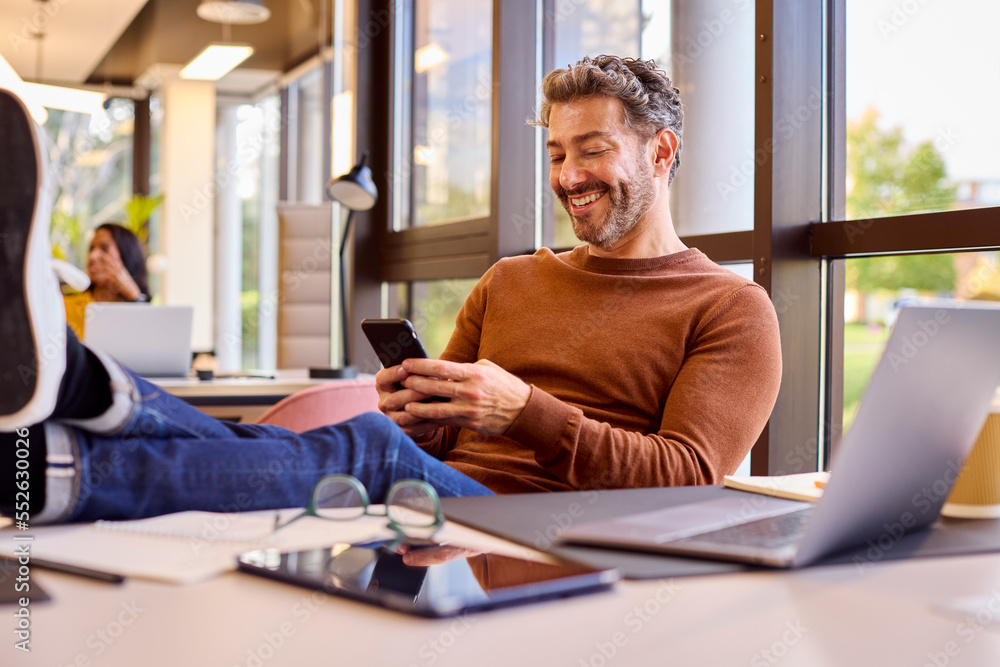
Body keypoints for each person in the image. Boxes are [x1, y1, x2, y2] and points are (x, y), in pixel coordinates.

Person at [0, 55, 780, 525]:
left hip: (557, 529)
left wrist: (525, 412)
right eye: (555, 154)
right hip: (451, 512)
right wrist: (420, 408)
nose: (568, 178)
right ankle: (75, 401)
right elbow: (429, 442)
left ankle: (69, 458)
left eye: (592, 151)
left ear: (662, 152)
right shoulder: (511, 279)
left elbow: (686, 477)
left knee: (364, 451)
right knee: (321, 444)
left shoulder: (731, 308)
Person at [63, 222, 151, 338]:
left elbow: (148, 343)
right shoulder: (64, 307)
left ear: (127, 257)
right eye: (91, 249)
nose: (92, 256)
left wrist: (135, 298)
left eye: (104, 249)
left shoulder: (144, 310)